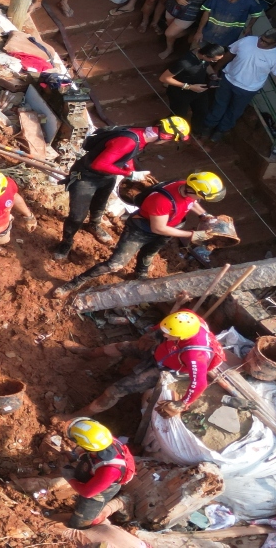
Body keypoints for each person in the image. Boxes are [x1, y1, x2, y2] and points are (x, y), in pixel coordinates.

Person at [52, 172, 224, 298]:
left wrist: (204, 215)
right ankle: (73, 284)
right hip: (141, 230)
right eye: (203, 196)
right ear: (192, 189)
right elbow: (159, 228)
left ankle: (140, 275)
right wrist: (192, 235)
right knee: (115, 265)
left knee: (149, 254)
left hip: (167, 229)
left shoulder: (186, 187)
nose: (202, 200)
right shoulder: (162, 200)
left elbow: (191, 202)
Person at [53, 118, 191, 261]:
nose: (168, 143)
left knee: (99, 204)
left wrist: (129, 168)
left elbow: (128, 155)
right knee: (77, 216)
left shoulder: (141, 134)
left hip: (107, 176)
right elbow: (98, 164)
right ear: (167, 136)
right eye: (170, 140)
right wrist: (129, 174)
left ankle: (93, 225)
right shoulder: (129, 141)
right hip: (86, 176)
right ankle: (66, 242)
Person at [62, 310, 223, 418]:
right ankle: (87, 353)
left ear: (181, 337)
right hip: (161, 349)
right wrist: (151, 334)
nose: (165, 334)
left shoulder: (196, 354)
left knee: (114, 391)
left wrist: (182, 403)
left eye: (169, 334)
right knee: (121, 346)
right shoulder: (186, 317)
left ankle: (76, 416)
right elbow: (164, 326)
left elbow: (200, 382)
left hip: (165, 367)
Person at [202, 28, 276, 142]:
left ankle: (221, 130)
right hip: (228, 79)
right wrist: (216, 69)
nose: (260, 42)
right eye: (261, 39)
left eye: (266, 42)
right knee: (219, 105)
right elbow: (230, 54)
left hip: (247, 89)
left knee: (235, 111)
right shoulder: (247, 40)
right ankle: (208, 126)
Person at [61, 419, 136, 528]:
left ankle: (121, 503)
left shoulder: (110, 469)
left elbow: (87, 492)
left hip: (107, 486)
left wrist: (70, 478)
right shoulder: (104, 439)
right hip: (99, 470)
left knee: (79, 522)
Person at [160, 43, 225, 133]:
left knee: (201, 111)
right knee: (179, 116)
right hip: (180, 93)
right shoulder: (185, 62)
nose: (214, 62)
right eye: (213, 60)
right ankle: (167, 130)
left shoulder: (202, 55)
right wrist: (189, 87)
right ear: (205, 55)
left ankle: (196, 131)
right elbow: (164, 78)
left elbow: (206, 63)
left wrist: (212, 74)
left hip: (199, 89)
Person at [192, 0, 265, 49]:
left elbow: (257, 13)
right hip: (207, 34)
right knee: (197, 51)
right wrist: (199, 31)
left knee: (214, 55)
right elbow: (206, 12)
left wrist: (249, 27)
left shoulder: (248, 2)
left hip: (227, 39)